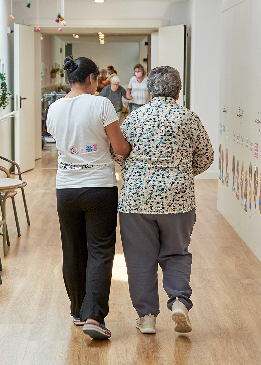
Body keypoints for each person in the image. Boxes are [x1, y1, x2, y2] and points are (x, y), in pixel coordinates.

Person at [115, 66, 213, 335]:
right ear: (179, 91)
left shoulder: (135, 118)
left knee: (139, 259)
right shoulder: (189, 118)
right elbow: (206, 158)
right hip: (178, 200)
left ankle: (146, 317)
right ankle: (179, 301)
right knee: (176, 253)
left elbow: (118, 154)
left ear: (148, 91)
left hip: (136, 200)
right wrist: (180, 173)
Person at [46, 55, 131, 340]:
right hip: (98, 187)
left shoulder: (54, 108)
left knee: (72, 249)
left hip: (66, 188)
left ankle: (77, 311)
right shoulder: (101, 104)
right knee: (99, 250)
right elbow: (120, 149)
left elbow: (61, 142)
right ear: (92, 79)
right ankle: (94, 315)